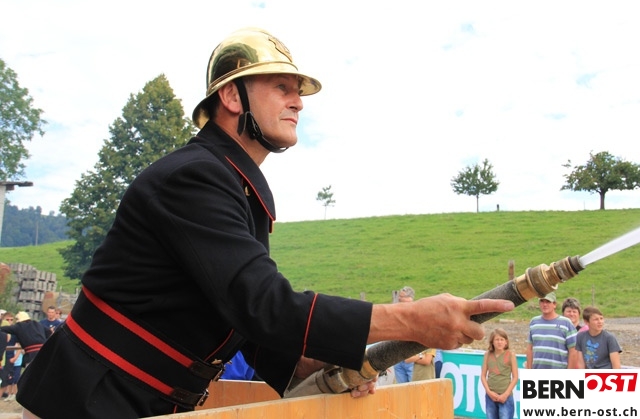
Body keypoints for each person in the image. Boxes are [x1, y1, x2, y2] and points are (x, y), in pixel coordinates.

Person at [15, 27, 513, 419]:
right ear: (233, 97)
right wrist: (410, 320)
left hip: (124, 401)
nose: (298, 101)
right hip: (86, 400)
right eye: (281, 87)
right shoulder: (196, 177)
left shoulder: (228, 181)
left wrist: (305, 364)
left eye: (298, 91)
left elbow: (235, 316)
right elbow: (260, 304)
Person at [526, 292, 578, 369]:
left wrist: (569, 373)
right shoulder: (534, 322)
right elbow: (529, 348)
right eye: (542, 301)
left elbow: (573, 351)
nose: (544, 304)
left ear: (554, 304)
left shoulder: (566, 323)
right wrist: (529, 370)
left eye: (548, 301)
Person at [480, 328, 518, 419]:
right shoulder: (487, 355)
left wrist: (506, 394)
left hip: (505, 397)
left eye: (502, 339)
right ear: (492, 342)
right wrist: (489, 392)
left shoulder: (511, 355)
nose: (499, 342)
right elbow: (483, 376)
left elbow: (515, 377)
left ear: (506, 342)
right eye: (497, 340)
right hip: (490, 396)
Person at [392, 286, 415, 383]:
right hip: (398, 357)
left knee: (413, 387)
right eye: (399, 296)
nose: (399, 299)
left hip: (411, 357)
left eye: (402, 297)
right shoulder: (397, 313)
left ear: (409, 298)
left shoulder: (415, 314)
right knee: (401, 387)